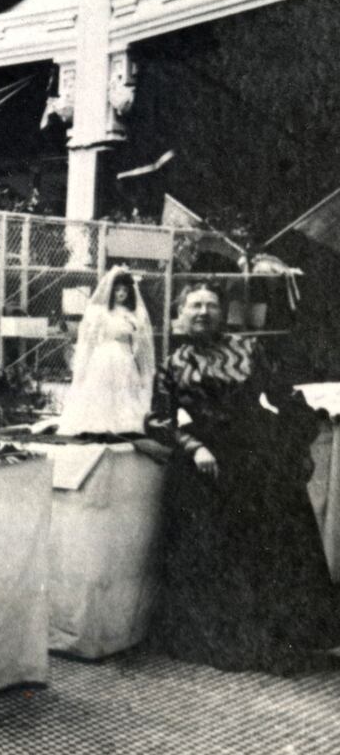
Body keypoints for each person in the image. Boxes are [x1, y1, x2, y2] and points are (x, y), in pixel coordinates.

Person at [147, 282, 340, 674]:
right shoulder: (172, 365)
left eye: (211, 305)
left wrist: (291, 445)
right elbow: (157, 420)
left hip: (255, 457)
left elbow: (282, 396)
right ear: (180, 315)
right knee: (211, 550)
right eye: (194, 305)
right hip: (206, 462)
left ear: (223, 313)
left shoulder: (248, 348)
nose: (203, 312)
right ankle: (224, 639)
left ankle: (279, 640)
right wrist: (193, 446)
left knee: (268, 546)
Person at [58, 266, 155, 436]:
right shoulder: (100, 313)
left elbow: (139, 338)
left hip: (125, 356)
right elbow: (90, 338)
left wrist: (135, 351)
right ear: (110, 292)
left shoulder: (134, 313)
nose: (121, 294)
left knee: (125, 388)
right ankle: (100, 421)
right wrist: (85, 361)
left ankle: (123, 422)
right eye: (117, 290)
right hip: (105, 354)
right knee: (103, 387)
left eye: (124, 290)